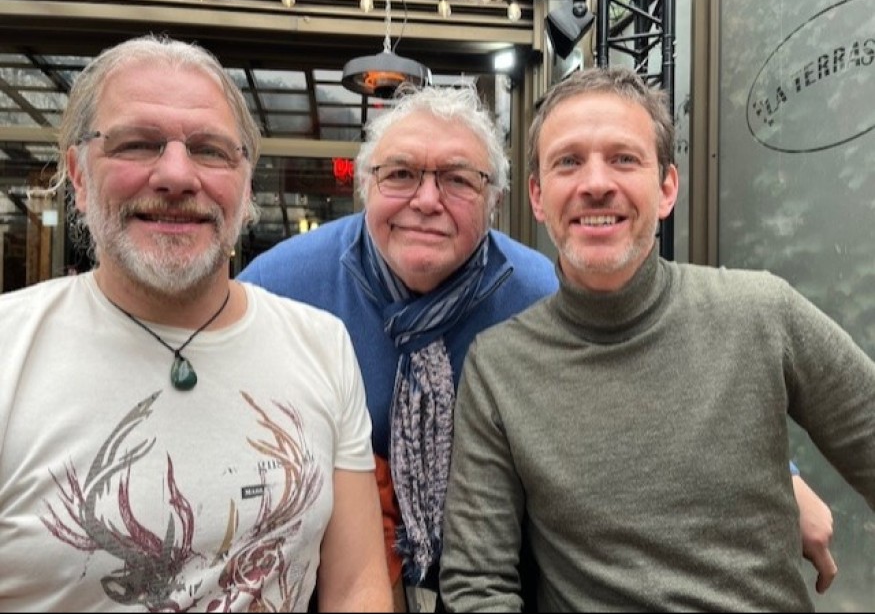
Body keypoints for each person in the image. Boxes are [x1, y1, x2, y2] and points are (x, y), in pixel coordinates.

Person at [238, 82, 836, 610]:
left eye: (458, 179)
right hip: (333, 582)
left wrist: (779, 476)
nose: (426, 200)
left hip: (511, 578)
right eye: (399, 174)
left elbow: (650, 379)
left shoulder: (537, 292)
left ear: (497, 199)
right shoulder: (282, 287)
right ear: (364, 185)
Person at [438, 66, 875, 612]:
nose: (596, 183)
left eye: (624, 158)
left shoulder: (761, 313)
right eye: (568, 161)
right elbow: (477, 584)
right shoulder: (500, 367)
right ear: (538, 196)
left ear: (667, 188)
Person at [0, 35, 392, 612]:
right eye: (137, 144)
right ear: (78, 177)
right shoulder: (9, 350)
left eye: (210, 150)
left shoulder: (323, 344)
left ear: (246, 185)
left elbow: (357, 583)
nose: (177, 175)